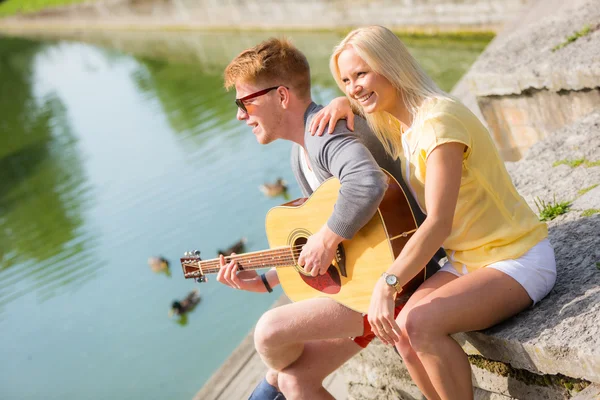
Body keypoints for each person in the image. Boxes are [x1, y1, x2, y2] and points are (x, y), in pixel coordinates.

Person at [310, 25, 556, 400]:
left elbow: (438, 222)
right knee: (401, 330)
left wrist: (387, 283)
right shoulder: (401, 119)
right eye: (345, 79)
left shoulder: (439, 122)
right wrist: (345, 103)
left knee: (420, 323)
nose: (353, 86)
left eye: (361, 73)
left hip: (516, 258)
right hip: (468, 262)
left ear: (390, 65)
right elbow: (362, 100)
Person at [219, 37, 445, 400]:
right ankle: (275, 381)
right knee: (294, 380)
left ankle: (269, 383)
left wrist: (325, 238)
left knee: (269, 331)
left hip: (404, 278)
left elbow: (366, 184)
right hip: (370, 280)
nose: (240, 115)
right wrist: (267, 280)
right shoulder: (301, 153)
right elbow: (342, 243)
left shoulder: (324, 133)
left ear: (281, 97)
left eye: (245, 103)